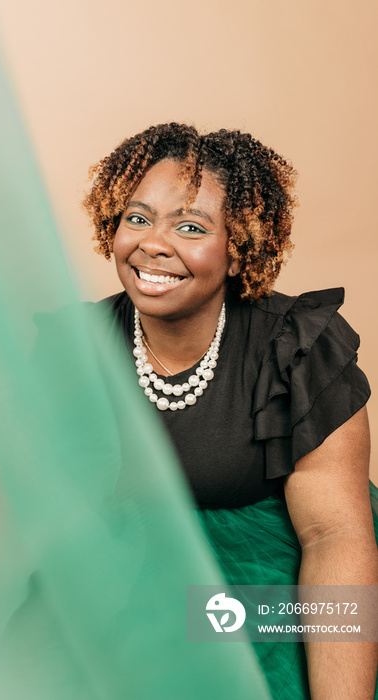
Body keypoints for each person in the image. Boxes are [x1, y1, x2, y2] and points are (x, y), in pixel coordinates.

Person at [83, 123, 378, 699]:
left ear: (242, 247)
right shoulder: (76, 349)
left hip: (267, 586)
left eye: (190, 227)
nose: (153, 244)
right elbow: (31, 522)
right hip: (132, 583)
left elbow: (333, 535)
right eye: (137, 218)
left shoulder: (297, 349)